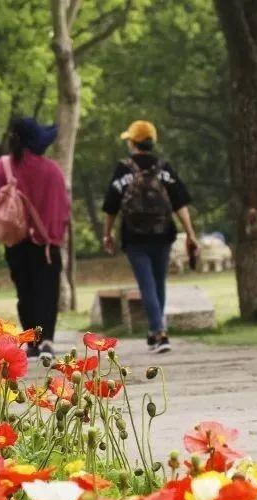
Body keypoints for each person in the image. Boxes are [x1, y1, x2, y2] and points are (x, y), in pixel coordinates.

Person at [0, 117, 71, 361]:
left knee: (25, 292)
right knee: (47, 292)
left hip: (16, 243)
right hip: (47, 243)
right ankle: (47, 340)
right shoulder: (52, 171)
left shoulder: (3, 166)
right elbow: (64, 209)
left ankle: (31, 344)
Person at [102, 120, 198, 354]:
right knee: (158, 284)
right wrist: (190, 234)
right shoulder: (164, 168)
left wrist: (107, 234)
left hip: (134, 238)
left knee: (147, 285)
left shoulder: (124, 168)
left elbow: (111, 207)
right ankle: (156, 332)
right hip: (163, 234)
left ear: (134, 143)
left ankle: (160, 332)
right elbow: (180, 203)